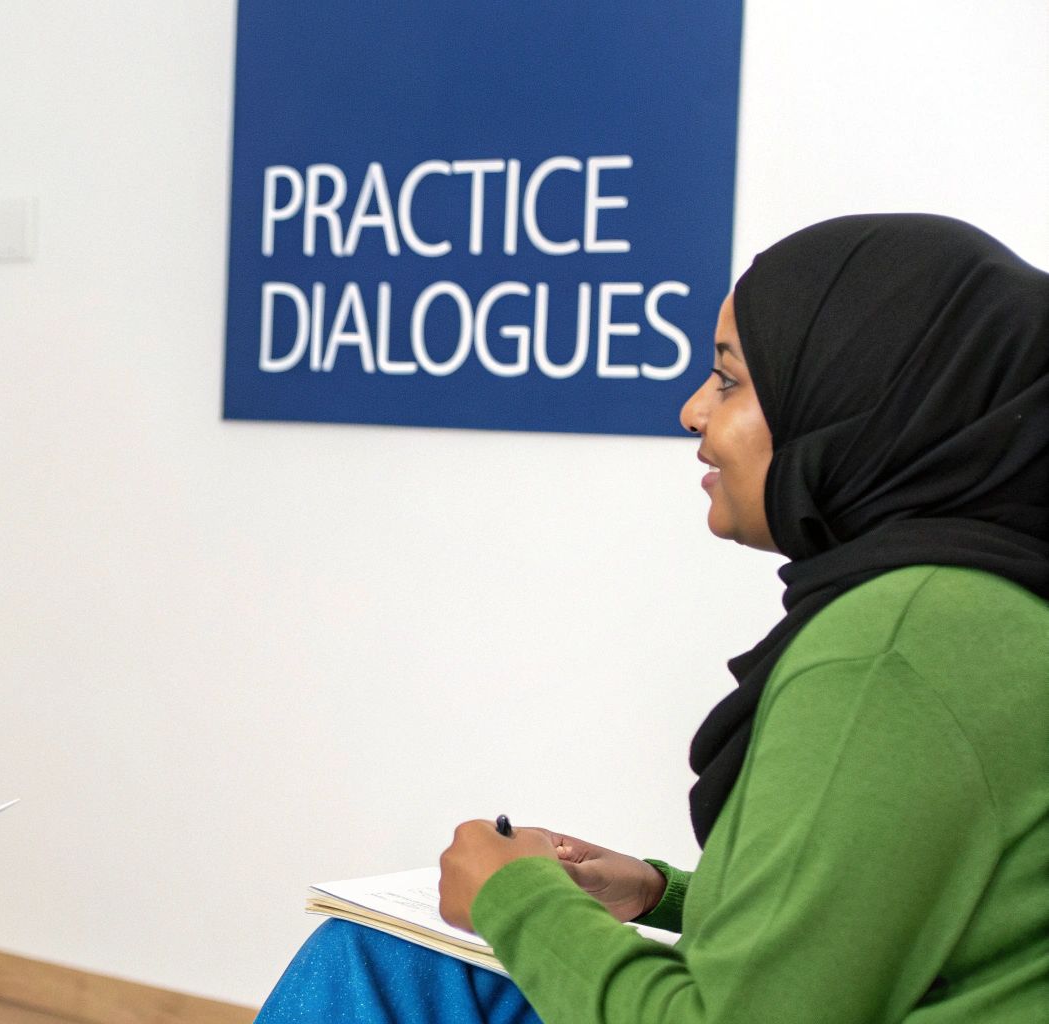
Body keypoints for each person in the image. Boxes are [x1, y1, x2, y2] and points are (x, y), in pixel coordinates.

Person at [255, 214, 1049, 1023]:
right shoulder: (983, 604)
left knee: (373, 968)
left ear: (860, 401)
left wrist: (514, 898)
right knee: (388, 956)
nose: (693, 411)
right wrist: (660, 893)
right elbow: (913, 921)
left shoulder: (888, 647)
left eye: (731, 380)